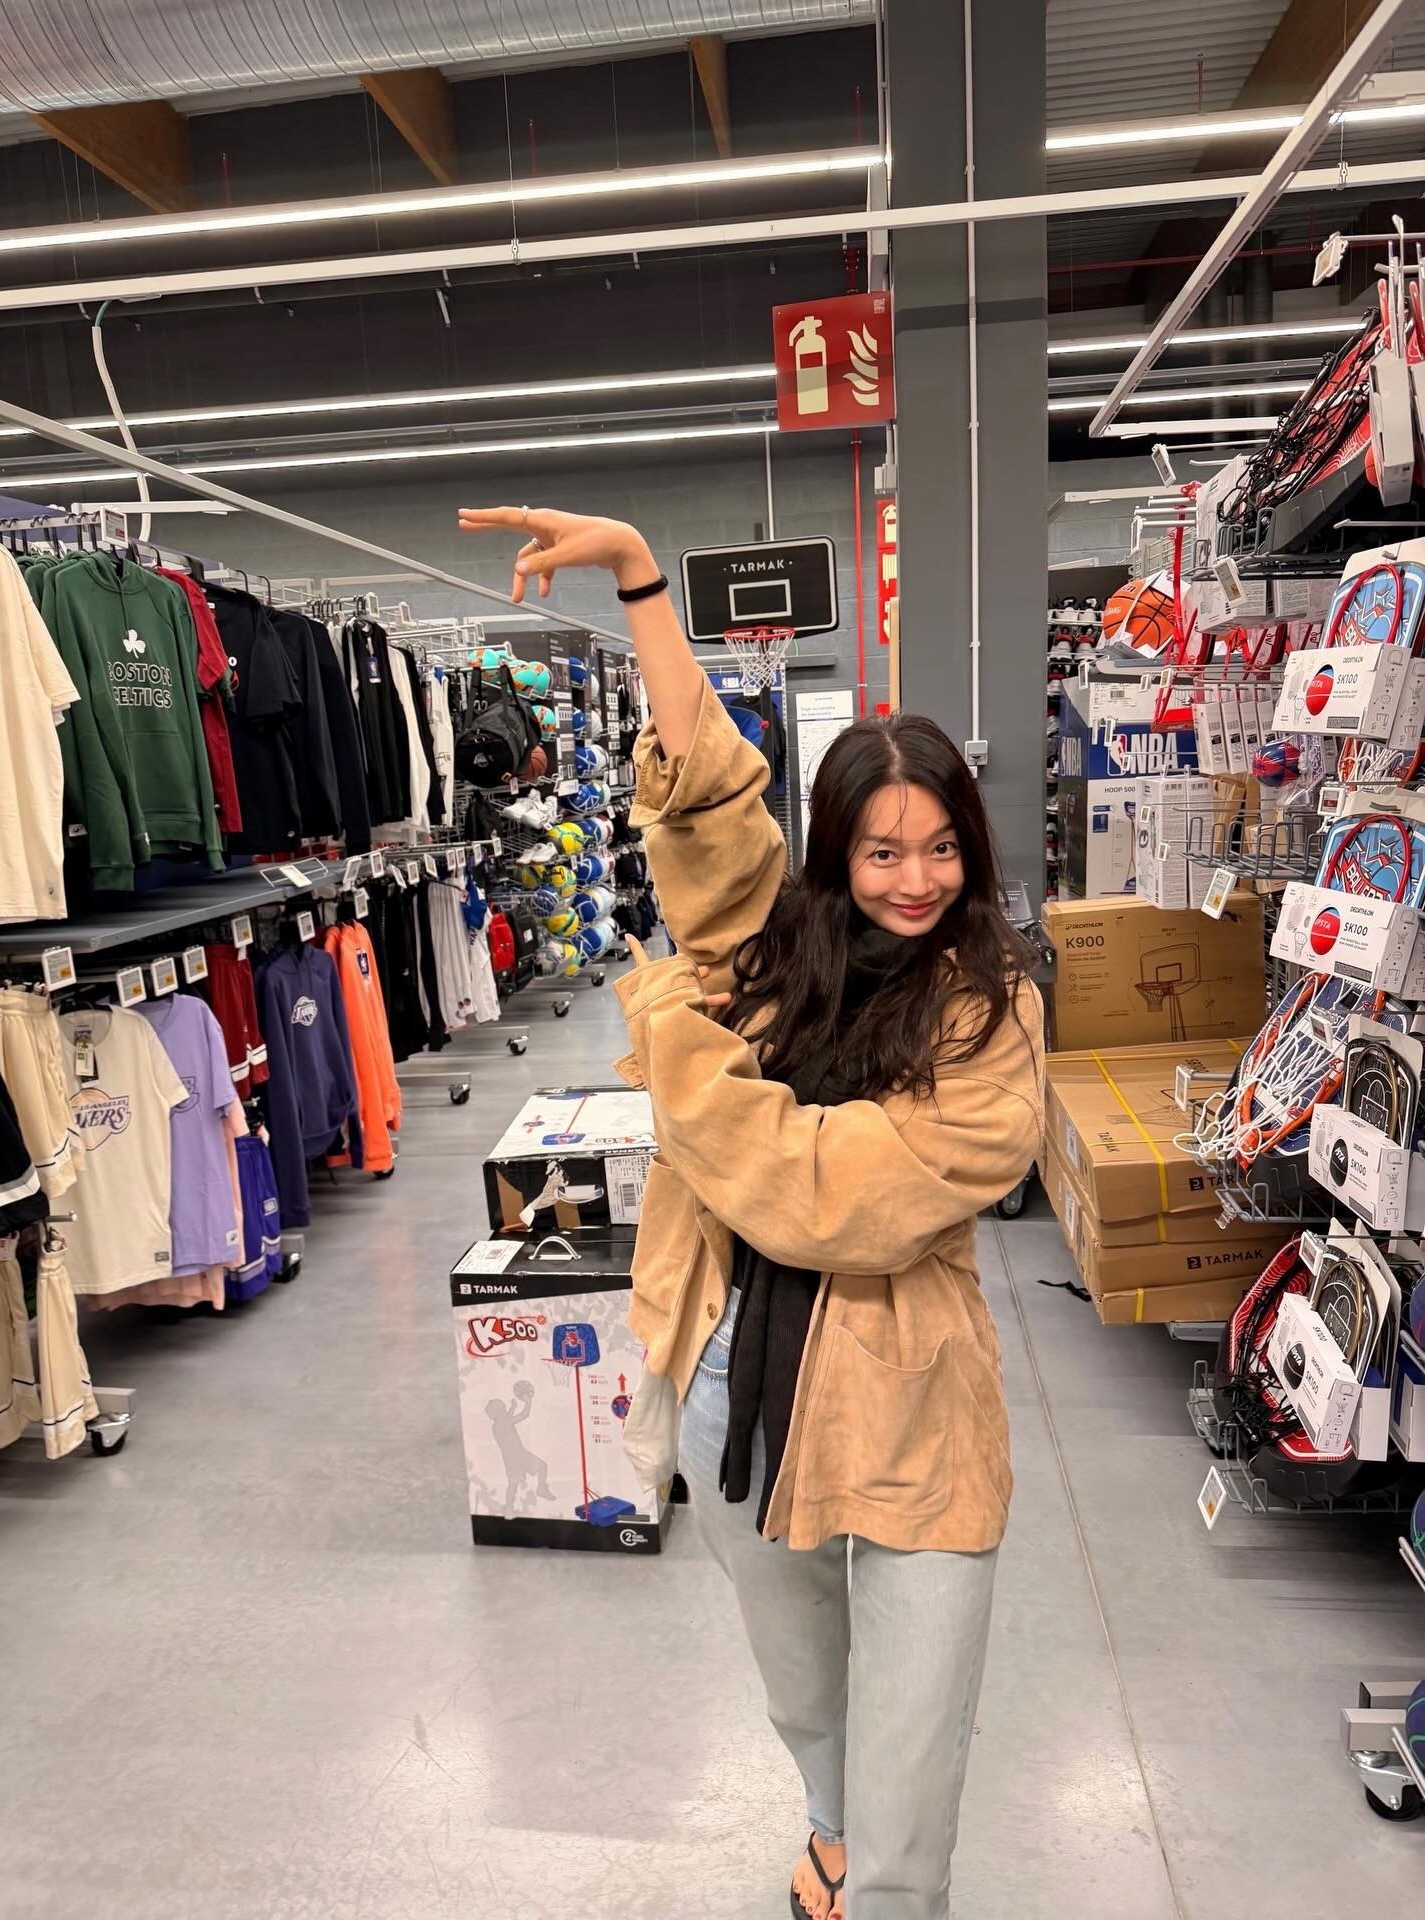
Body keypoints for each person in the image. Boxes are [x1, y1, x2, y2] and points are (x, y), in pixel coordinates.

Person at [458, 504, 1044, 1920]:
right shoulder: (781, 951)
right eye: (882, 852)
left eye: (942, 850)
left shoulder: (991, 1016)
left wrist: (679, 1053)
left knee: (916, 1736)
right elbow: (712, 806)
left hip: (909, 1403)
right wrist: (640, 577)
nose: (916, 881)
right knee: (802, 1687)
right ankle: (831, 1829)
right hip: (735, 1380)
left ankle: (883, 1883)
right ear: (837, 856)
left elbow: (823, 1193)